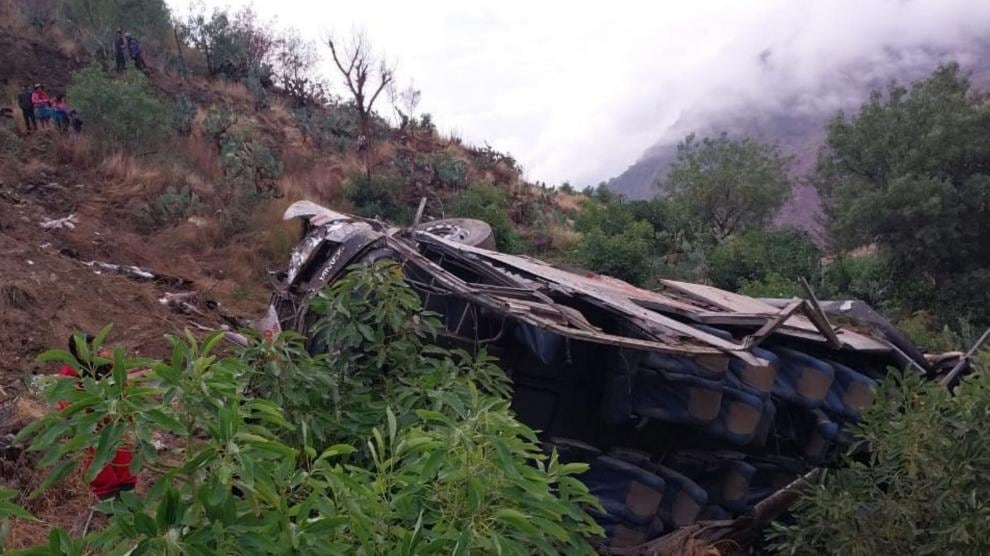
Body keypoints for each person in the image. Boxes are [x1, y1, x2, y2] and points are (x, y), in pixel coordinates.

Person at [57, 334, 139, 500]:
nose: (93, 349)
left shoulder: (106, 361)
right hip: (90, 422)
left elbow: (122, 383)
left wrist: (127, 409)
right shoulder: (70, 371)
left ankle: (128, 499)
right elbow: (66, 400)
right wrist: (81, 421)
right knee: (98, 462)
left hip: (114, 416)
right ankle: (108, 503)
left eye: (93, 345)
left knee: (123, 454)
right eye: (87, 346)